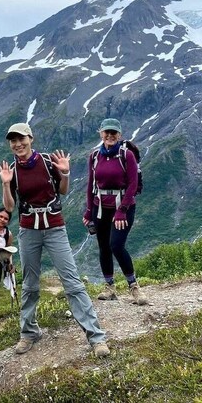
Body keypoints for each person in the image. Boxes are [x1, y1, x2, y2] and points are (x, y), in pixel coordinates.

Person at [0, 122, 110, 358]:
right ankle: (28, 332)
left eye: (21, 139)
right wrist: (6, 184)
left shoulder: (48, 162)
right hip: (29, 229)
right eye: (13, 141)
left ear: (31, 138)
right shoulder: (12, 171)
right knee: (30, 283)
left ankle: (96, 337)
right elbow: (8, 207)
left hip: (55, 227)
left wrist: (65, 173)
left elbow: (63, 190)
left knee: (72, 282)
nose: (18, 144)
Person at [84, 118, 147, 305]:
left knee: (116, 245)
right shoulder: (94, 156)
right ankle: (110, 287)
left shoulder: (126, 155)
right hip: (100, 206)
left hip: (123, 206)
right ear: (101, 133)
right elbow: (90, 185)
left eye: (114, 132)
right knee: (103, 246)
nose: (110, 135)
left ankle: (134, 286)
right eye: (106, 132)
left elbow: (133, 184)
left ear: (119, 135)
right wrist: (88, 211)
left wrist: (122, 210)